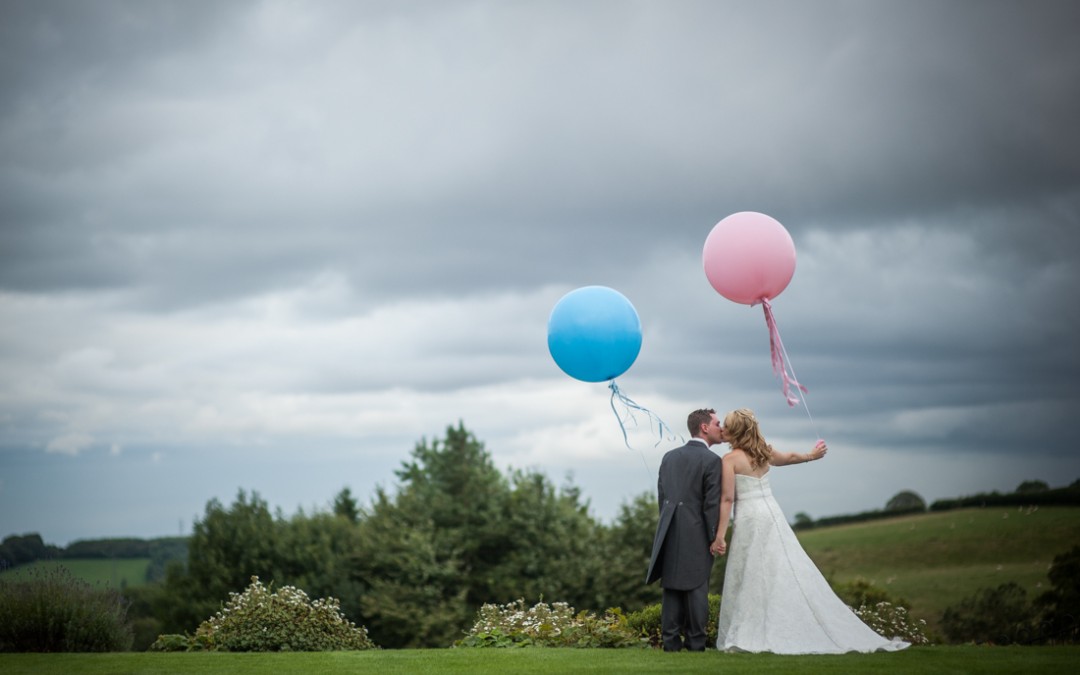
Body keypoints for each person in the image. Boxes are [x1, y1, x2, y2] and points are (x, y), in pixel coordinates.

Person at [711, 408, 910, 654]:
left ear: (736, 431)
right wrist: (812, 455)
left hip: (750, 518)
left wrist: (720, 535)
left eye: (727, 426)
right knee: (778, 567)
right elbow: (791, 457)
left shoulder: (729, 460)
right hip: (772, 513)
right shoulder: (764, 452)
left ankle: (754, 629)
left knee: (750, 570)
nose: (723, 430)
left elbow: (727, 498)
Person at [646, 408, 724, 651]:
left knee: (671, 589)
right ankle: (696, 643)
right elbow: (711, 504)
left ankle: (670, 643)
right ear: (704, 427)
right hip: (697, 532)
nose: (720, 428)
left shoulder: (669, 457)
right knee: (697, 587)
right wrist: (714, 537)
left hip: (668, 530)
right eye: (717, 423)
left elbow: (662, 498)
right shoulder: (712, 460)